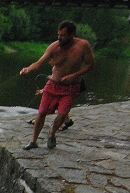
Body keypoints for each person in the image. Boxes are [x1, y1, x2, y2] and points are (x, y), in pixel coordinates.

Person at [20, 20, 95, 150]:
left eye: (63, 35)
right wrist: (28, 69)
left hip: (71, 87)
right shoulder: (54, 47)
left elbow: (91, 65)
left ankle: (52, 134)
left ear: (72, 34)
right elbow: (39, 63)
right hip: (53, 84)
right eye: (58, 35)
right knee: (42, 112)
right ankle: (33, 141)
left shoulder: (83, 45)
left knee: (62, 114)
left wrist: (75, 75)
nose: (59, 38)